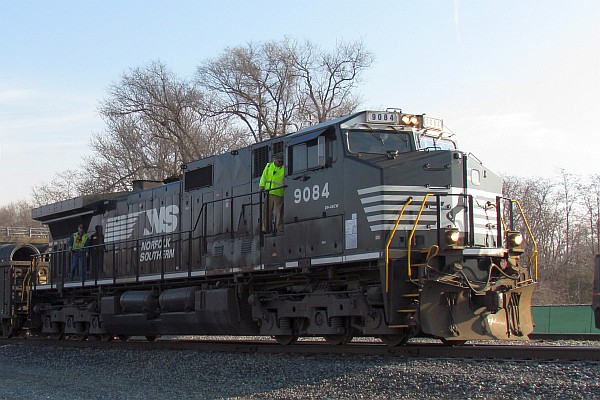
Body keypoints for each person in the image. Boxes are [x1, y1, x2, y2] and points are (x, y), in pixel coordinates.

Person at [259, 153, 285, 233]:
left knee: (279, 212)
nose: (280, 163)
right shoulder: (269, 166)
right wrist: (261, 186)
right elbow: (263, 177)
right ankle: (266, 228)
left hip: (279, 193)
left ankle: (279, 228)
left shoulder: (284, 168)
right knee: (266, 211)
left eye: (281, 161)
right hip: (268, 192)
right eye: (278, 161)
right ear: (275, 160)